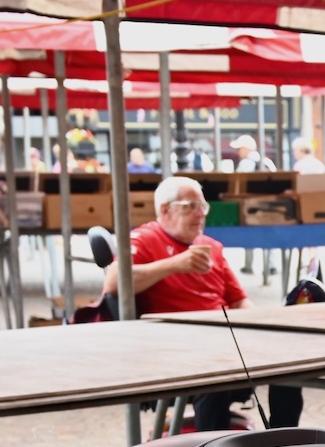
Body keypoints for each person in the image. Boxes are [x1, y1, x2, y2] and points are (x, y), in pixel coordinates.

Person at [103, 176, 288, 431]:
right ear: (165, 210)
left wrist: (265, 329)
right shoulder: (144, 238)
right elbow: (114, 283)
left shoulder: (211, 247)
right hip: (176, 351)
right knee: (213, 375)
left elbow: (239, 301)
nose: (200, 214)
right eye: (190, 206)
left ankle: (282, 434)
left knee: (289, 360)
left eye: (203, 206)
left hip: (224, 342)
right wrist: (174, 264)